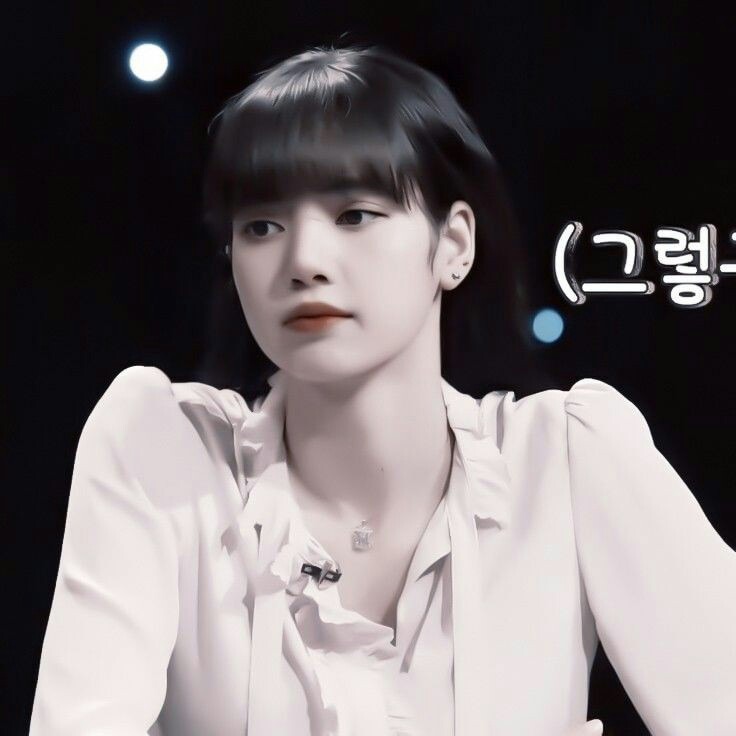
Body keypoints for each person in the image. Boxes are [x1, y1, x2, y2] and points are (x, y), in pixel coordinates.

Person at [29, 44, 736, 736]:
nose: (304, 261)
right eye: (262, 226)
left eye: (355, 215)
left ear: (454, 244)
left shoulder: (566, 461)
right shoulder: (164, 452)